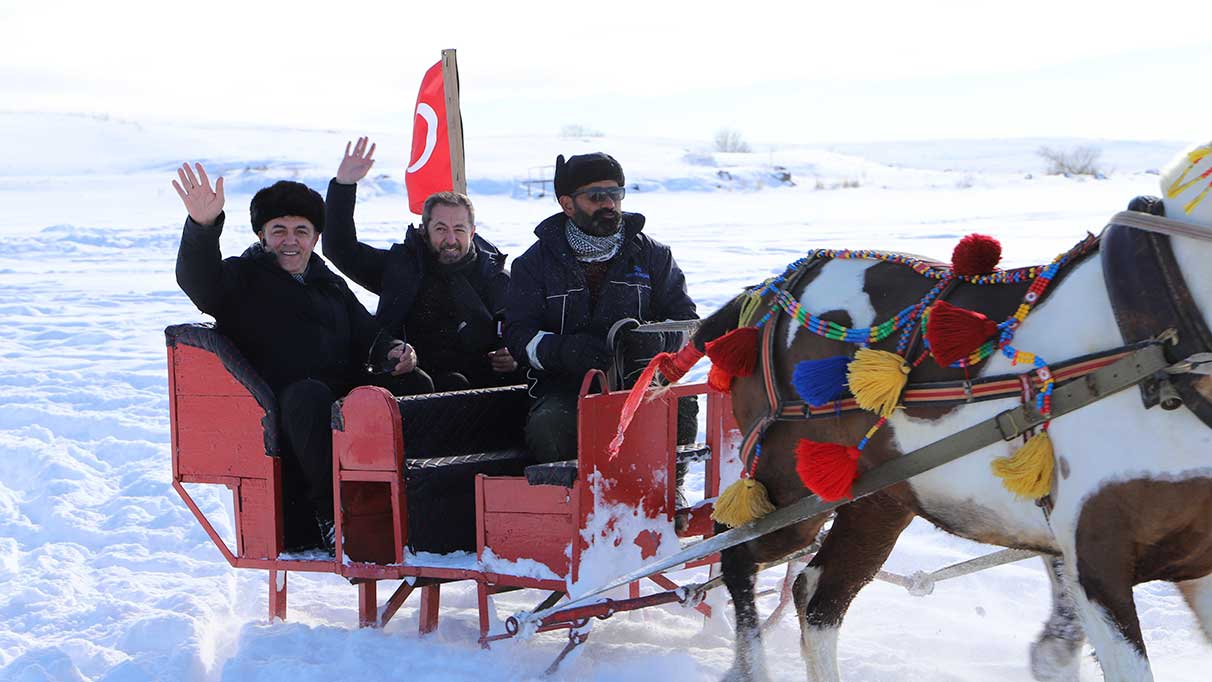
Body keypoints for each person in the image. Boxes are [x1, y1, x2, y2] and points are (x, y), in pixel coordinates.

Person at [172, 162, 432, 553]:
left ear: (314, 237)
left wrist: (391, 350)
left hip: (338, 391)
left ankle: (423, 502)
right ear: (262, 236)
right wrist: (202, 227)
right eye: (279, 231)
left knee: (416, 385)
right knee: (308, 398)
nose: (290, 241)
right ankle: (335, 519)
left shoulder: (328, 282)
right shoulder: (241, 278)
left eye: (301, 231)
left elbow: (366, 333)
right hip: (283, 405)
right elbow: (198, 281)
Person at [504, 152, 698, 466]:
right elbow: (518, 334)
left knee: (681, 406)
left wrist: (653, 341)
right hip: (565, 387)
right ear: (567, 204)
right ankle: (570, 507)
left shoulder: (653, 256)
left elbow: (686, 322)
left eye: (615, 194)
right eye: (597, 196)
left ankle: (668, 502)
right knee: (551, 425)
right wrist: (566, 350)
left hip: (641, 381)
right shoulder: (533, 264)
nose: (609, 204)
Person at [322, 137, 521, 392]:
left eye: (459, 229)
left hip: (479, 390)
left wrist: (514, 356)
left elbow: (522, 331)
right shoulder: (400, 267)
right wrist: (343, 186)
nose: (451, 239)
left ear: (472, 232)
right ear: (424, 231)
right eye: (440, 228)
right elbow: (340, 249)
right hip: (414, 386)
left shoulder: (496, 277)